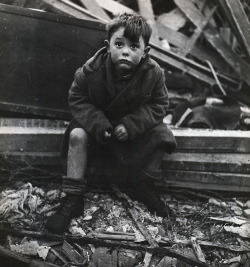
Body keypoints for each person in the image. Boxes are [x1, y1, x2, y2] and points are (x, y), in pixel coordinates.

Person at [45, 13, 177, 234]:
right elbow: (77, 99)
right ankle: (74, 197)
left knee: (163, 136)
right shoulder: (90, 70)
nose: (125, 51)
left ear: (145, 52)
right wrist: (98, 124)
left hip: (131, 133)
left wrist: (132, 124)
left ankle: (142, 184)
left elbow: (159, 104)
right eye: (119, 44)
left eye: (134, 46)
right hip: (99, 130)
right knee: (77, 135)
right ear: (108, 46)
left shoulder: (154, 74)